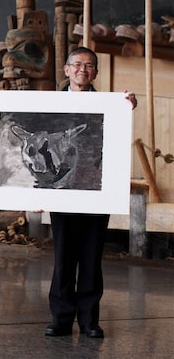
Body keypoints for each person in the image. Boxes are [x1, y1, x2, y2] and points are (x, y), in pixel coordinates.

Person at [44, 47, 137, 338]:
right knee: (63, 258)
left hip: (97, 191)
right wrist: (34, 194)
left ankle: (89, 320)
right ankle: (61, 319)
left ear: (95, 72)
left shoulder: (110, 105)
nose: (82, 69)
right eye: (77, 64)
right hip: (61, 192)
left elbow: (116, 143)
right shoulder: (47, 106)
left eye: (88, 65)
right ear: (66, 69)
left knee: (91, 257)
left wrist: (127, 109)